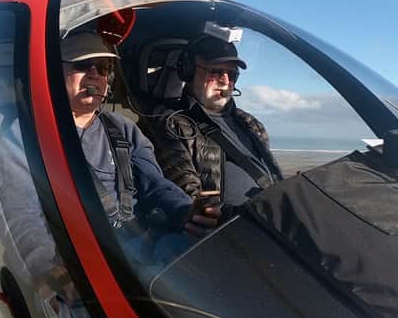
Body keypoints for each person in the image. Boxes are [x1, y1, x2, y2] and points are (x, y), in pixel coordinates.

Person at [60, 30, 220, 238]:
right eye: (82, 65)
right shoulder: (29, 135)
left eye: (102, 68)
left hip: (139, 241)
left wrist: (184, 210)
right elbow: (25, 216)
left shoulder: (122, 128)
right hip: (84, 248)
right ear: (55, 72)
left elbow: (155, 184)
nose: (94, 74)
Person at [141, 34, 283, 207]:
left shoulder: (250, 123)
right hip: (226, 227)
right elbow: (188, 195)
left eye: (231, 74)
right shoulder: (171, 123)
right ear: (188, 71)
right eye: (216, 72)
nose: (225, 81)